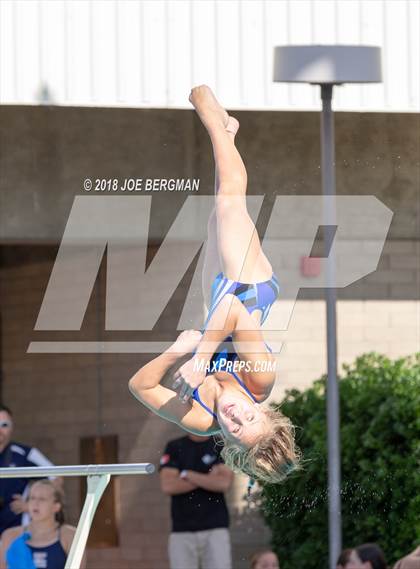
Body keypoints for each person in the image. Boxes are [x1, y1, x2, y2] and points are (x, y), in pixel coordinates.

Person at [129, 85, 300, 485]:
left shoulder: (201, 417)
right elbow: (235, 312)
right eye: (251, 416)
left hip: (217, 301)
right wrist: (201, 357)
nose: (238, 416)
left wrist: (177, 351)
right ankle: (214, 121)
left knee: (214, 214)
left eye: (238, 428)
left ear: (229, 442)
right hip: (251, 287)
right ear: (264, 410)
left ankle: (229, 132)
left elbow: (140, 386)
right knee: (229, 201)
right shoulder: (260, 377)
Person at [159, 433, 233, 569]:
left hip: (215, 528)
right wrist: (208, 477)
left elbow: (224, 483)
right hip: (182, 529)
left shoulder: (220, 445)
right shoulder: (174, 447)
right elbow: (168, 486)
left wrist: (187, 475)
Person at [0, 405, 62, 535]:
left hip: (16, 532)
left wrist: (31, 505)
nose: (0, 429)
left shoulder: (24, 454)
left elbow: (57, 477)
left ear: (12, 427)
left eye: (4, 424)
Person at [0, 479, 85, 569]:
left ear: (56, 506)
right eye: (32, 498)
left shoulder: (69, 535)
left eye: (42, 499)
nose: (35, 503)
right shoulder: (10, 536)